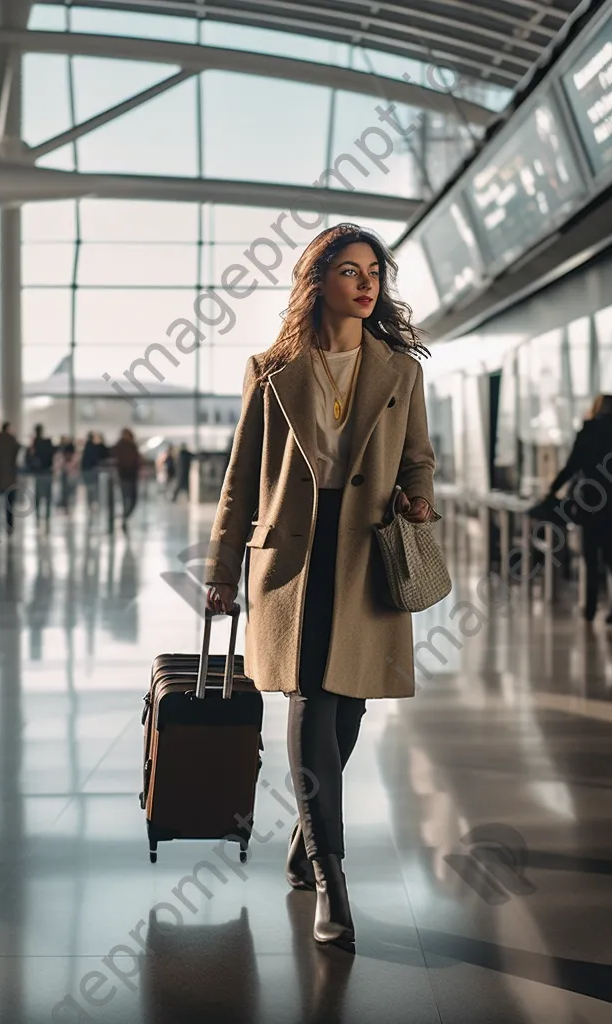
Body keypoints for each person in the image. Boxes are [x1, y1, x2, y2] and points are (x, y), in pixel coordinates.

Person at [204, 223, 436, 951]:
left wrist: (418, 500)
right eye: (349, 271)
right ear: (319, 281)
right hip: (293, 558)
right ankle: (333, 879)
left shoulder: (400, 372)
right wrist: (219, 573)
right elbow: (242, 478)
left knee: (349, 708)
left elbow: (419, 461)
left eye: (374, 272)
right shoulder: (272, 369)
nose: (366, 284)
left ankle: (307, 838)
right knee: (310, 699)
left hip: (367, 550)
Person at [545, 393, 612, 624]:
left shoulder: (587, 434)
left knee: (590, 556)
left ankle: (589, 608)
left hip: (590, 504)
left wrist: (553, 489)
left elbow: (572, 465)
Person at [112, 428, 142, 533]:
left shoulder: (132, 446)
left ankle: (124, 517)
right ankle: (124, 518)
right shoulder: (119, 447)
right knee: (127, 499)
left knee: (133, 500)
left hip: (132, 476)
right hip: (124, 476)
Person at [26, 424, 56, 527]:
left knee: (38, 496)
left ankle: (38, 517)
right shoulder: (47, 442)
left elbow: (30, 457)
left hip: (39, 473)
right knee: (47, 496)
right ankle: (47, 517)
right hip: (47, 472)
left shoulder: (35, 443)